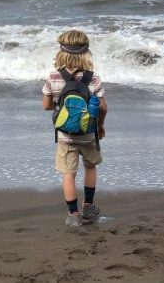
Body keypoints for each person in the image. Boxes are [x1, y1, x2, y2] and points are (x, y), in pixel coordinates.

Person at [43, 30, 108, 228]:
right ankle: (89, 206)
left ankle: (73, 214)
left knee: (68, 174)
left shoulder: (53, 76)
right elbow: (103, 106)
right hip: (89, 134)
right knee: (90, 166)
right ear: (86, 53)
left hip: (65, 136)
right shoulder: (93, 78)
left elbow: (46, 105)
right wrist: (100, 126)